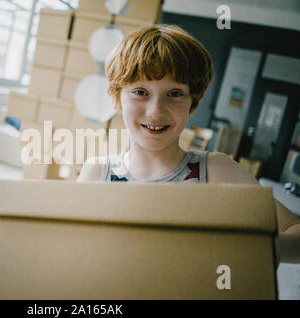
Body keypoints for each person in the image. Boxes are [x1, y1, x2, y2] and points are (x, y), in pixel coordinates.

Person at [77, 25, 300, 264]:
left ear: (193, 102)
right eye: (141, 91)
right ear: (116, 98)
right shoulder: (97, 173)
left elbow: (294, 229)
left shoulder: (216, 171)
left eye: (174, 94)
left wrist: (262, 247)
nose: (155, 112)